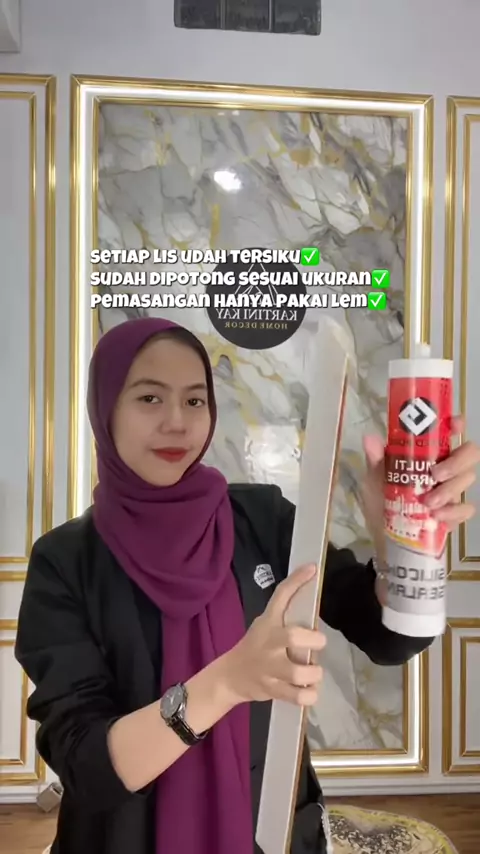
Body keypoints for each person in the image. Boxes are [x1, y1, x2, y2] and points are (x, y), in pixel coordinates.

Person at [15, 317, 479, 854]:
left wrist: (400, 540)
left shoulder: (262, 518)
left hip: (270, 832)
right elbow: (86, 763)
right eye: (149, 398)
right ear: (105, 410)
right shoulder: (64, 561)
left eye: (194, 400)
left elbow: (389, 639)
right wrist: (226, 682)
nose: (177, 422)